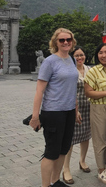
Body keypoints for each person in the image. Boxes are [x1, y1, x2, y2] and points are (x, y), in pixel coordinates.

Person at [29, 28, 79, 187]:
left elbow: (73, 88)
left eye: (68, 40)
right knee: (51, 151)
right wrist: (35, 116)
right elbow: (39, 90)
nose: (66, 42)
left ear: (72, 42)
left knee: (63, 149)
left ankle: (55, 181)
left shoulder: (72, 59)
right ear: (55, 42)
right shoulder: (49, 61)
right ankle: (45, 185)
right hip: (53, 112)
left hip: (69, 111)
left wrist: (76, 111)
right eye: (62, 40)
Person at [84, 43, 106, 185]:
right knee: (100, 139)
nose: (104, 55)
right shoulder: (93, 71)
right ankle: (100, 170)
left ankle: (105, 164)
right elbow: (88, 92)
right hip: (99, 107)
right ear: (97, 55)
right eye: (101, 52)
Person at [62, 47, 91, 185]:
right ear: (73, 57)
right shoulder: (70, 71)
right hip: (74, 108)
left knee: (85, 136)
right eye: (77, 55)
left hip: (88, 108)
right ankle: (66, 168)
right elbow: (69, 91)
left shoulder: (89, 70)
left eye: (82, 55)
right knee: (71, 138)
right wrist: (75, 109)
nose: (80, 57)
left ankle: (82, 160)